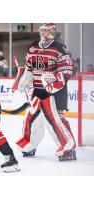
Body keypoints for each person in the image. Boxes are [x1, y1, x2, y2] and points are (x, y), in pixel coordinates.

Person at [13, 23, 76, 161]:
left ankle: (68, 148)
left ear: (53, 32)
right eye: (42, 30)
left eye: (47, 30)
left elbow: (66, 70)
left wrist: (55, 83)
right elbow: (29, 67)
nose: (44, 33)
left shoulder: (59, 48)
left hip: (55, 92)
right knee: (32, 118)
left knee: (57, 119)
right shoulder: (33, 46)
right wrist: (25, 80)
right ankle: (29, 145)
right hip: (37, 90)